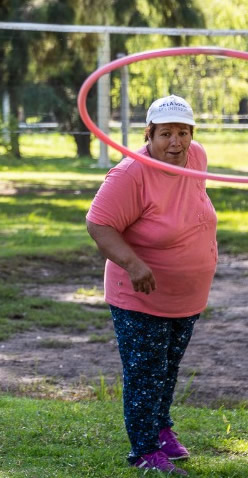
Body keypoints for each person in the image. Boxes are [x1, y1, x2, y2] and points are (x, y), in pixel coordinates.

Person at [86, 95, 216, 476]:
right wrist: (133, 263)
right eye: (165, 134)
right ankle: (144, 451)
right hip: (139, 294)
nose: (175, 142)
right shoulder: (131, 174)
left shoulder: (198, 158)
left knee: (168, 367)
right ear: (149, 134)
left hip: (185, 294)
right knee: (145, 373)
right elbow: (98, 224)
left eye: (183, 132)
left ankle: (160, 428)